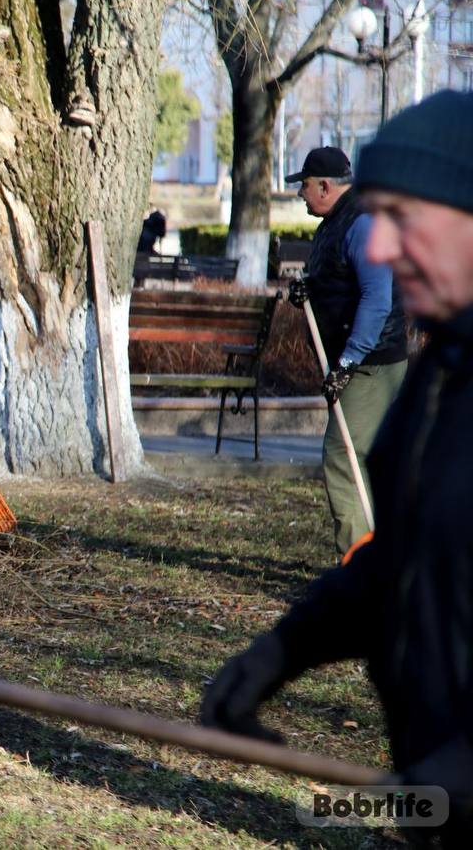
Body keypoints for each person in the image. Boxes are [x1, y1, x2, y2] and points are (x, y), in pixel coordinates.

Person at [200, 91, 473, 845]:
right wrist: (277, 655)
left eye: (404, 220)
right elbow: (400, 564)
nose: (378, 251)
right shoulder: (440, 376)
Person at [283, 146, 408, 557]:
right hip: (360, 361)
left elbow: (377, 298)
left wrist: (349, 361)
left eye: (304, 185)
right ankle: (380, 558)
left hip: (371, 364)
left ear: (325, 186)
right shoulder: (337, 220)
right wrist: (310, 288)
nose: (300, 193)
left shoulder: (363, 223)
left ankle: (358, 566)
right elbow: (339, 278)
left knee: (342, 456)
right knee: (364, 460)